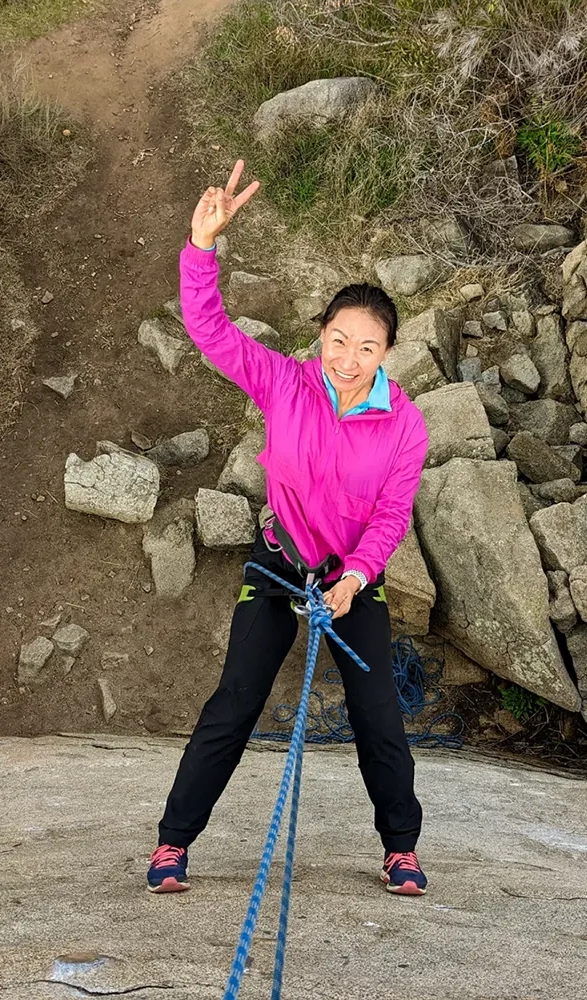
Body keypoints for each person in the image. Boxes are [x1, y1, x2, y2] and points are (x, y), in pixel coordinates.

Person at [147, 160, 430, 897]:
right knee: (236, 701)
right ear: (321, 336)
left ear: (388, 355)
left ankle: (400, 848)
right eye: (338, 340)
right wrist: (200, 248)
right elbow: (210, 331)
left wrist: (359, 577)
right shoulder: (285, 383)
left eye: (366, 347)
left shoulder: (405, 425)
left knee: (377, 716)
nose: (348, 358)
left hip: (350, 578)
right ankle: (173, 843)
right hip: (277, 568)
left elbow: (393, 513)